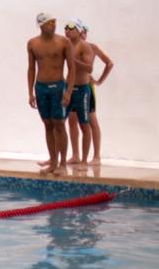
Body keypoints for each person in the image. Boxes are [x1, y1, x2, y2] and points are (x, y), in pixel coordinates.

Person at [27, 12, 76, 176]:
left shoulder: (64, 42)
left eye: (55, 22)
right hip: (41, 88)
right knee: (48, 124)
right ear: (41, 25)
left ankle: (63, 163)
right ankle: (53, 162)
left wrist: (68, 91)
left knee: (60, 124)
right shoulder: (32, 43)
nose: (54, 25)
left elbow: (72, 68)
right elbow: (31, 68)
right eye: (50, 22)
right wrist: (30, 92)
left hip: (58, 87)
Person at [64, 20, 96, 170]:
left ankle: (84, 160)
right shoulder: (65, 44)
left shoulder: (85, 46)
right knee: (61, 122)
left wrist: (73, 60)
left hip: (82, 90)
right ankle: (63, 158)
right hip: (68, 89)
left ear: (78, 30)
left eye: (71, 28)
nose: (67, 31)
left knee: (85, 125)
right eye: (65, 28)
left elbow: (89, 68)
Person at [82, 23, 113, 165]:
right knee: (73, 122)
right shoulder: (69, 46)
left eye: (83, 32)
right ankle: (76, 155)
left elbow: (109, 63)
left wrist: (99, 81)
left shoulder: (92, 47)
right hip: (73, 87)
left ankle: (96, 156)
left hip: (86, 87)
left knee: (91, 121)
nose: (82, 34)